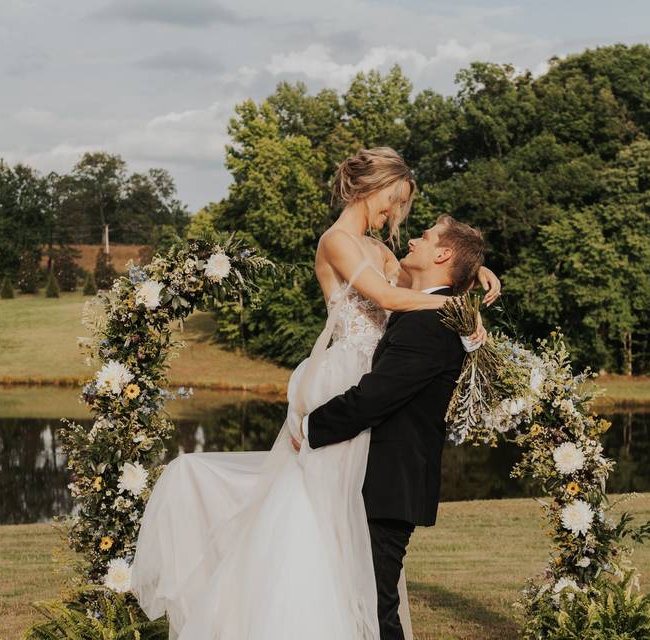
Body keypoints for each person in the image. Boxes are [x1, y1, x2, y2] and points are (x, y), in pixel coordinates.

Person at [129, 147, 498, 639]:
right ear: (378, 190)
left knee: (352, 523)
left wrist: (475, 276)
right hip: (345, 373)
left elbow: (430, 279)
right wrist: (462, 310)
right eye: (398, 199)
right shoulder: (337, 241)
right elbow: (391, 298)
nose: (400, 212)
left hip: (378, 377)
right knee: (314, 507)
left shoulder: (382, 250)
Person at [292, 213, 486, 639]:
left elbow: (373, 399)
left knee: (375, 608)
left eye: (426, 236)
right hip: (383, 479)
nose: (414, 239)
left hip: (389, 483)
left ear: (443, 253)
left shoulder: (428, 324)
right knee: (360, 601)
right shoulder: (428, 313)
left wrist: (309, 427)